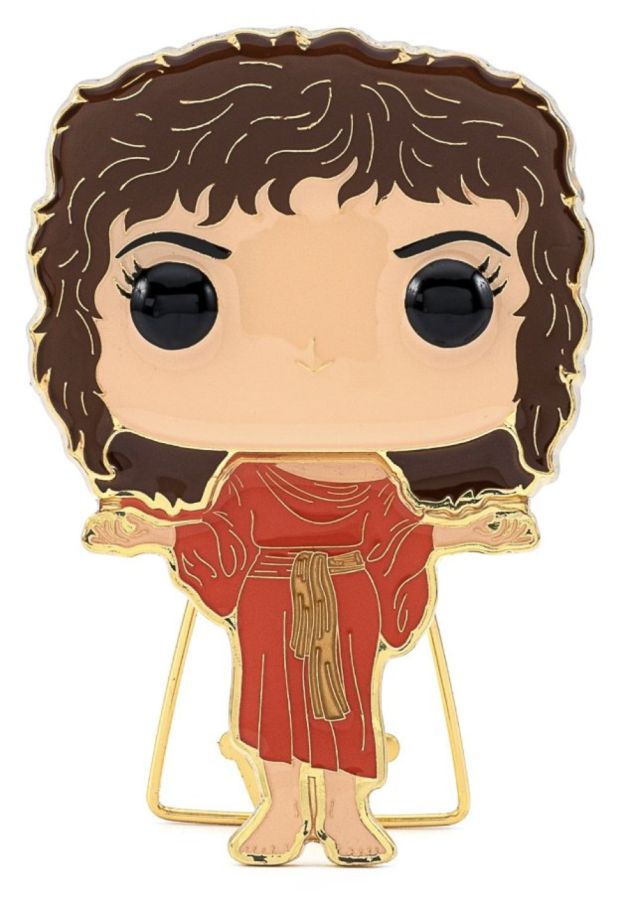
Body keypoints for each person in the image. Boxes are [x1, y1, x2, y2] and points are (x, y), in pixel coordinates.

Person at [29, 26, 590, 866]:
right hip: (265, 605)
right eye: (174, 298)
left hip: (351, 600)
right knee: (265, 711)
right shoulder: (243, 485)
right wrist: (150, 530)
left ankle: (350, 808)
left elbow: (400, 537)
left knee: (347, 709)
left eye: (447, 298)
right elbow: (213, 536)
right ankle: (282, 807)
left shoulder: (376, 486)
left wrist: (469, 529)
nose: (315, 354)